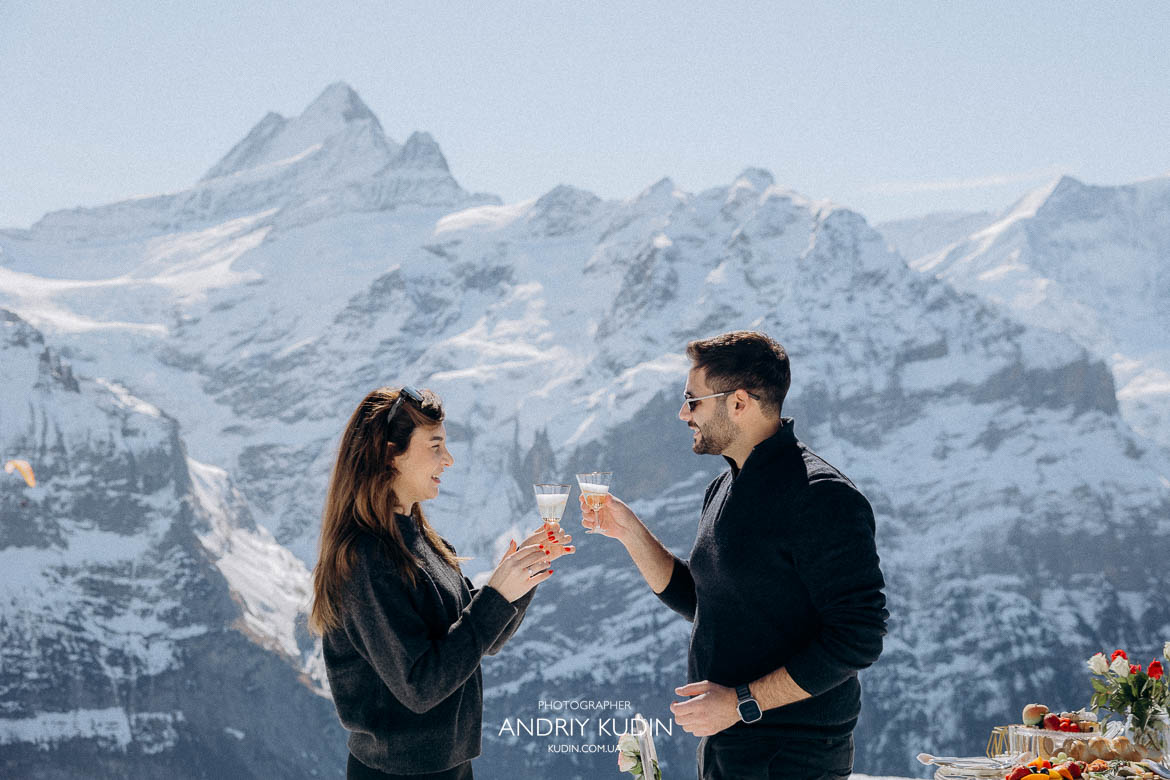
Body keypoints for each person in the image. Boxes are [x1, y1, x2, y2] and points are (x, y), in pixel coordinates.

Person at [581, 332, 888, 780]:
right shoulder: (725, 487)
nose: (683, 413)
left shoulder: (820, 496)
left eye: (693, 400)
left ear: (739, 402)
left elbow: (859, 636)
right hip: (730, 745)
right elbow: (708, 601)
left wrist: (743, 702)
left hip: (792, 758)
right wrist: (628, 531)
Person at [310, 385, 573, 779]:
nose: (448, 460)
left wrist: (524, 574)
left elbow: (483, 639)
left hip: (449, 768)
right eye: (435, 446)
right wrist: (497, 593)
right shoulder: (366, 559)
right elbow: (421, 685)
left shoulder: (421, 541)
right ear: (388, 453)